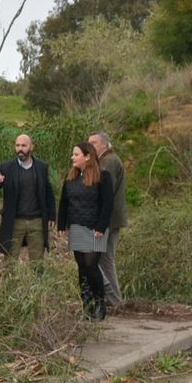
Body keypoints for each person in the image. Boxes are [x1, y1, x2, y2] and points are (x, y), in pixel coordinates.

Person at [57, 140, 115, 320]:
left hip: (94, 228)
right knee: (82, 266)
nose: (72, 157)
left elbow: (107, 205)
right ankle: (87, 303)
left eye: (76, 154)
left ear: (88, 156)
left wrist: (100, 226)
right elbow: (64, 202)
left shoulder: (103, 177)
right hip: (76, 226)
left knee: (91, 265)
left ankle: (100, 303)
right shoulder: (71, 178)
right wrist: (61, 224)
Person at [0, 133, 57, 266]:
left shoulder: (42, 167)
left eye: (24, 145)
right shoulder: (6, 167)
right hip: (14, 221)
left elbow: (48, 193)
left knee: (37, 262)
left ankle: (36, 285)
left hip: (36, 221)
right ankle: (10, 285)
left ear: (31, 147)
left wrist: (52, 215)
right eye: (17, 145)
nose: (20, 148)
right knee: (10, 261)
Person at [88, 131, 127, 309]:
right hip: (111, 218)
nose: (90, 146)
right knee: (102, 259)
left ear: (104, 144)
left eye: (94, 143)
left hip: (108, 220)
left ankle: (114, 299)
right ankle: (114, 300)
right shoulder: (107, 160)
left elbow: (104, 193)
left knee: (101, 260)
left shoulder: (109, 162)